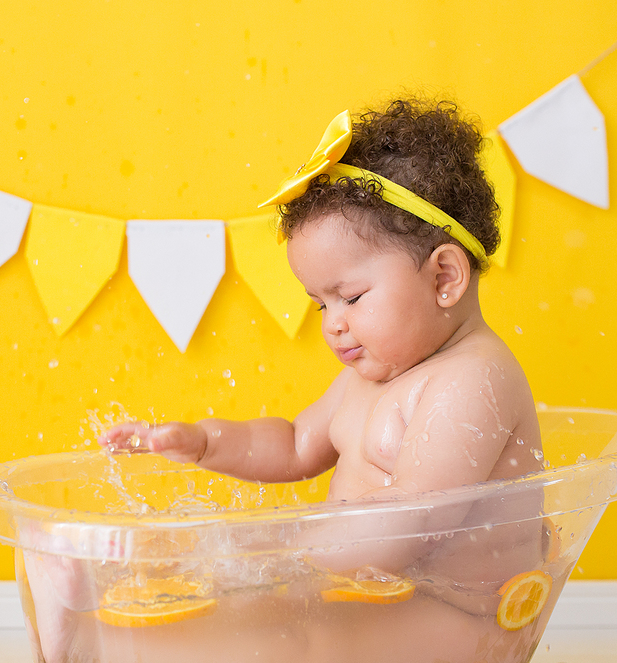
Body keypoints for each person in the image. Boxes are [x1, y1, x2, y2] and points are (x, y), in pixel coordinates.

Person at [102, 98, 543, 506]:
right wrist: (204, 443)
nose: (333, 323)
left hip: (454, 593)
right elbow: (294, 445)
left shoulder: (472, 379)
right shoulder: (366, 380)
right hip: (372, 585)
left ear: (443, 277)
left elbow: (417, 517)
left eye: (350, 297)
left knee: (248, 582)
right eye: (321, 304)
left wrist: (291, 552)